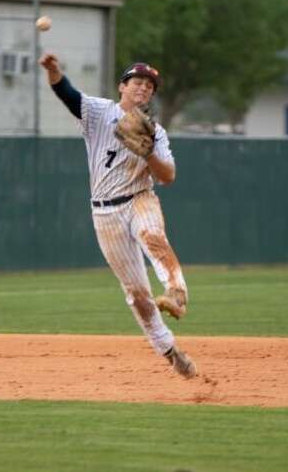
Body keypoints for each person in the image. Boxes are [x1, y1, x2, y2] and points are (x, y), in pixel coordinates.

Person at [39, 53, 197, 379]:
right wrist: (54, 71)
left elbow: (167, 177)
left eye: (150, 85)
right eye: (137, 82)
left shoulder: (156, 133)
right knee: (137, 294)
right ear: (122, 87)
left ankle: (177, 293)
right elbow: (67, 94)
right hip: (104, 213)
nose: (144, 88)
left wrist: (149, 152)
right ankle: (169, 351)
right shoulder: (98, 112)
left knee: (153, 236)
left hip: (139, 198)